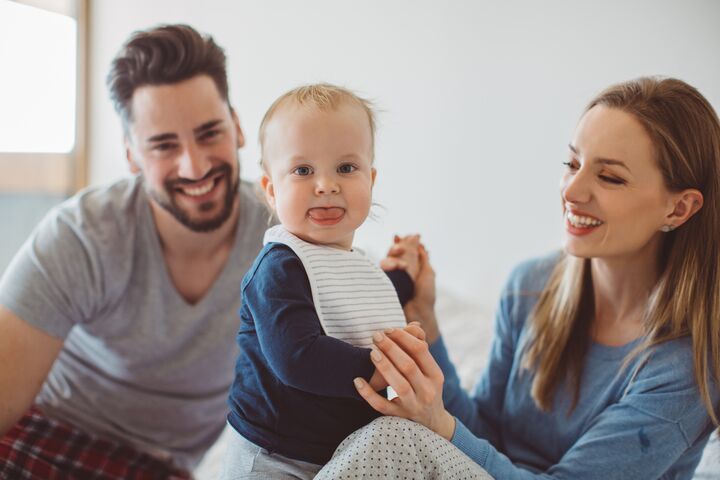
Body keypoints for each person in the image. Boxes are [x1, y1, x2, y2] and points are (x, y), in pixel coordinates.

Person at [318, 76, 720, 479]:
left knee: (395, 439)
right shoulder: (530, 286)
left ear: (679, 208)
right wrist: (426, 319)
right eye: (572, 164)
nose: (573, 191)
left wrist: (438, 427)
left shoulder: (684, 370)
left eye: (610, 177)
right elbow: (485, 432)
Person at [0, 24, 270, 478]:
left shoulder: (284, 241)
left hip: (156, 469)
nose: (195, 166)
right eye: (164, 145)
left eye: (209, 134)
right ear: (131, 155)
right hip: (42, 434)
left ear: (238, 126)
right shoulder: (82, 235)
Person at [221, 83, 427, 479]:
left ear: (372, 178)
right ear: (270, 190)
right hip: (272, 452)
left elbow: (364, 303)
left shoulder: (355, 265)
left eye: (346, 168)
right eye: (303, 171)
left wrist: (404, 274)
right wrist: (379, 370)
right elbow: (297, 357)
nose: (326, 185)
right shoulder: (278, 268)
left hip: (336, 452)